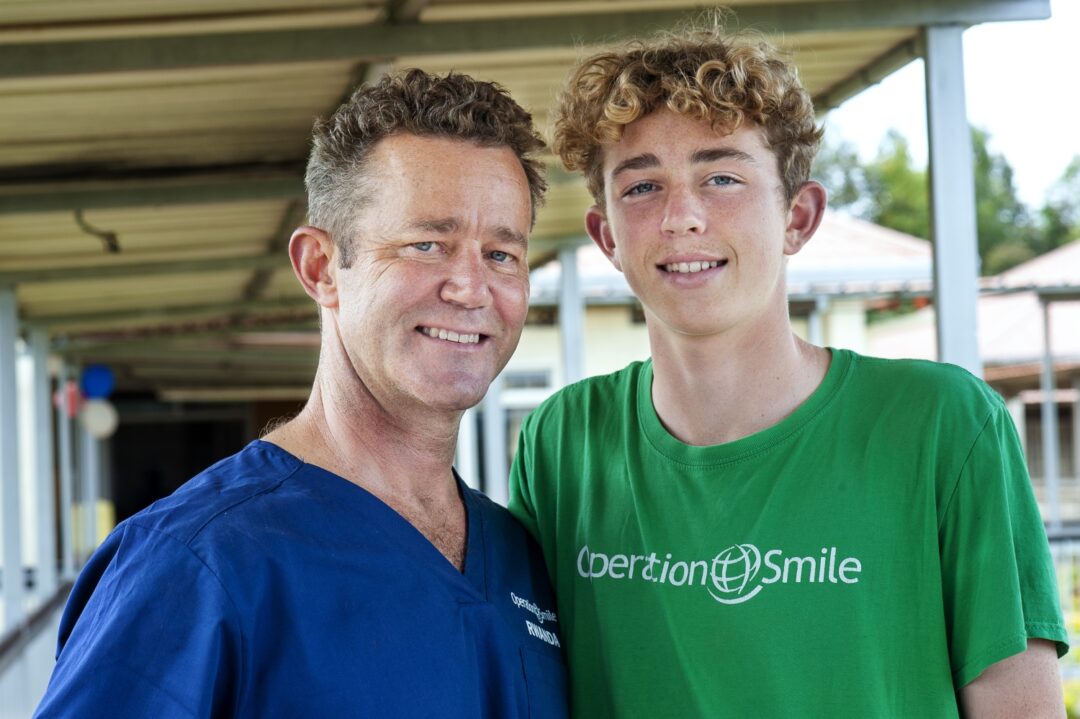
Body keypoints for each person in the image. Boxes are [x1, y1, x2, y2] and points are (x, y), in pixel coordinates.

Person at [508, 22, 1068, 718]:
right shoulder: (561, 444)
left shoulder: (943, 427)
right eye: (643, 186)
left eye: (721, 177)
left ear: (798, 218)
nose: (682, 216)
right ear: (606, 237)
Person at [36, 69, 567, 719]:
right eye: (427, 244)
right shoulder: (196, 562)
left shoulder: (522, 559)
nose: (470, 286)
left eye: (502, 254)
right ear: (321, 267)